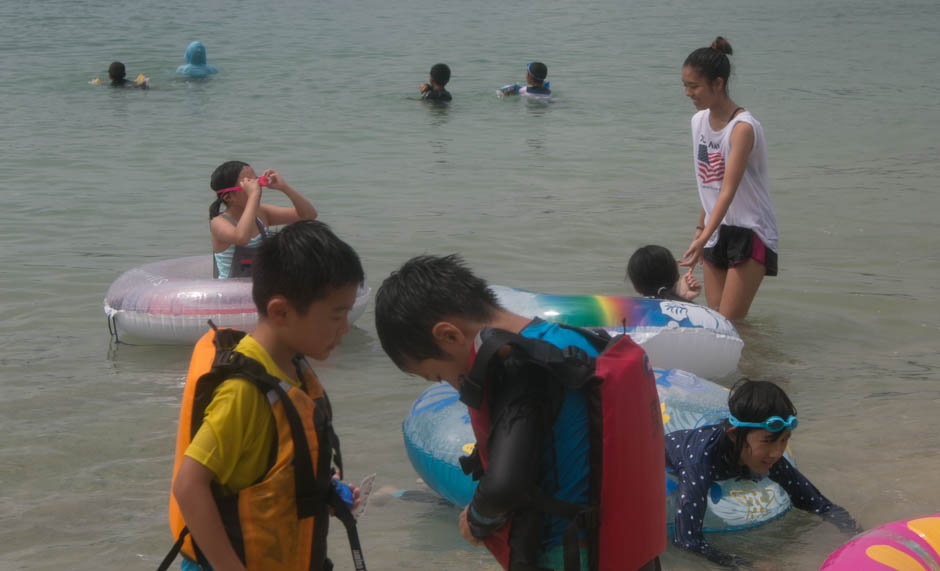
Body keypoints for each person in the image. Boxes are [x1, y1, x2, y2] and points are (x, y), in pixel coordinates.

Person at [374, 255, 662, 571]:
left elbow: (504, 486)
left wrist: (476, 520)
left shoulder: (517, 366)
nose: (456, 390)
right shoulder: (571, 341)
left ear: (449, 335)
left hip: (570, 556)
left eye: (440, 376)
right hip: (629, 550)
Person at [164, 220, 367, 571]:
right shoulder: (244, 392)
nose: (344, 328)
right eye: (336, 314)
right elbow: (189, 485)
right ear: (281, 312)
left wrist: (322, 489)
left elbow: (270, 472)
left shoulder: (292, 371)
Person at [666, 378, 859, 568]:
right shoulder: (700, 460)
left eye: (784, 440)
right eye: (768, 441)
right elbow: (686, 540)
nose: (777, 453)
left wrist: (855, 533)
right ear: (733, 435)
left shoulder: (765, 455)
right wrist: (746, 564)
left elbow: (818, 504)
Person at [677, 37, 778, 321]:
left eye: (694, 86)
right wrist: (701, 232)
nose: (687, 93)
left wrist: (704, 235)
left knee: (731, 321)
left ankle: (757, 364)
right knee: (715, 318)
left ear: (718, 83)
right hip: (716, 229)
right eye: (684, 86)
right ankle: (755, 360)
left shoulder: (742, 128)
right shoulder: (698, 122)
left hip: (749, 229)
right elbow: (708, 183)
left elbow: (728, 190)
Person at [208, 160, 317, 279]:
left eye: (256, 180)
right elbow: (241, 238)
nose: (256, 187)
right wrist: (253, 195)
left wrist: (284, 188)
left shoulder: (262, 214)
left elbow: (308, 215)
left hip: (259, 289)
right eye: (248, 183)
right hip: (229, 293)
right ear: (228, 197)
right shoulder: (218, 222)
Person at [627, 244, 701, 301]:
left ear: (635, 286)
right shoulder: (703, 315)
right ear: (677, 276)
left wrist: (682, 298)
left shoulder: (625, 314)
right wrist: (683, 300)